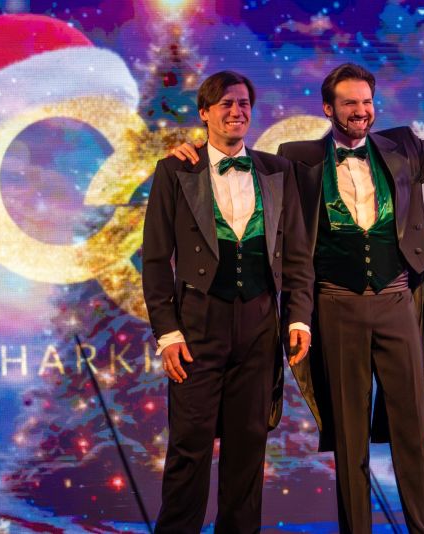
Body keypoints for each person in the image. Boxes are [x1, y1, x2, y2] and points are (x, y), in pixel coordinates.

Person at [171, 63, 424, 533]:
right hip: (335, 307)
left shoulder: (404, 148)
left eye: (367, 102)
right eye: (350, 103)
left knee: (413, 428)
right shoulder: (296, 159)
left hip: (396, 303)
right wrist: (193, 154)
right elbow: (239, 172)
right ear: (328, 109)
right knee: (350, 440)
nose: (361, 111)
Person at [142, 70, 314, 533]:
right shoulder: (175, 170)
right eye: (225, 104)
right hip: (197, 325)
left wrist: (299, 318)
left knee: (248, 449)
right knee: (189, 448)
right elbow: (155, 261)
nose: (237, 112)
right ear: (205, 113)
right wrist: (167, 334)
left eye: (243, 104)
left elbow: (298, 255)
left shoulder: (278, 171)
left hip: (259, 325)